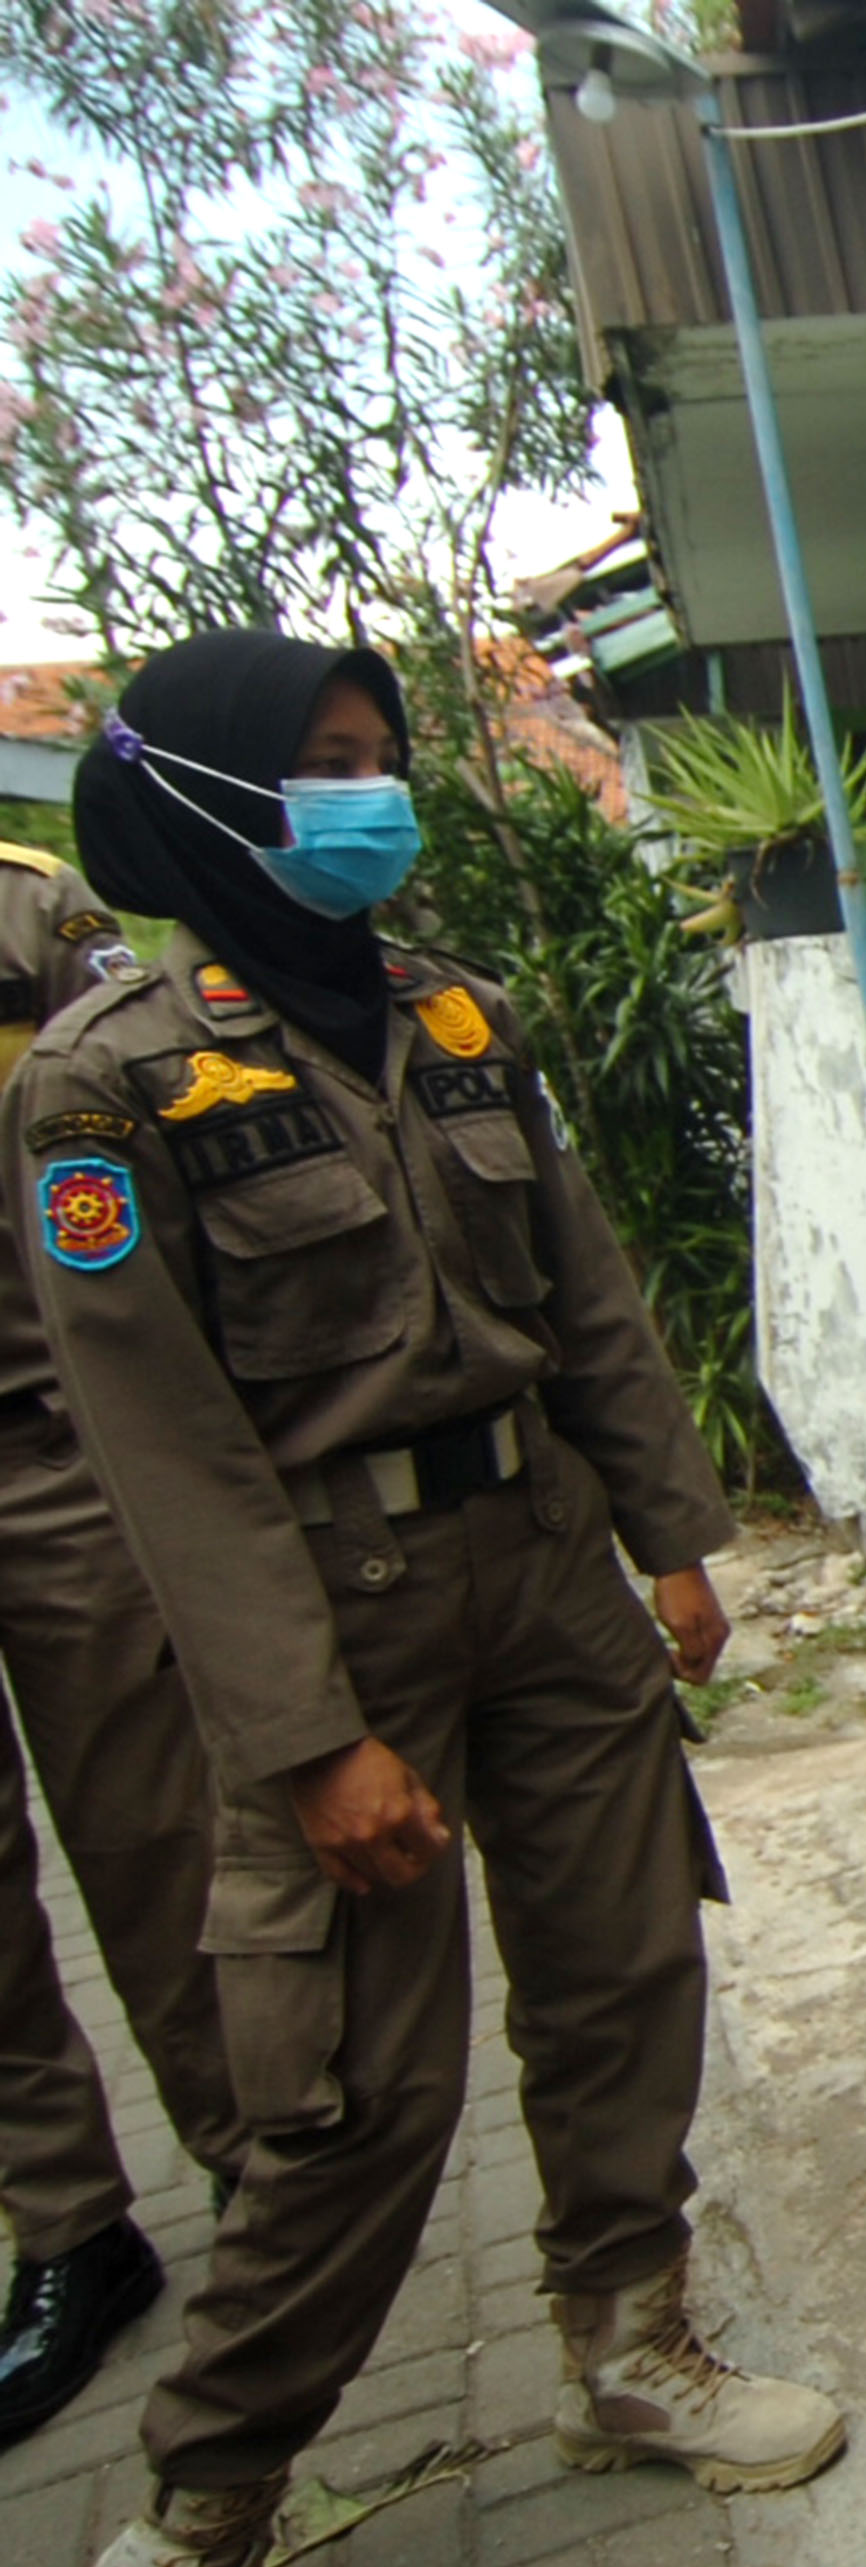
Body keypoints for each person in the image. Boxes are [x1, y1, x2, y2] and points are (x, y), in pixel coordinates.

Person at [15, 632, 845, 2567]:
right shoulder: (102, 1086)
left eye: (378, 758)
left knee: (623, 1974)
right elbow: (165, 1452)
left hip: (543, 1564)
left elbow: (586, 1298)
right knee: (357, 2096)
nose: (364, 796)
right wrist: (306, 1737)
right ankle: (201, 2513)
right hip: (334, 1614)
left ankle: (629, 2352)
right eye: (322, 763)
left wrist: (672, 1532)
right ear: (213, 793)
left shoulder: (453, 1017)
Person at [0, 842, 244, 2454]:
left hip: (44, 1445)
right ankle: (71, 2229)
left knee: (152, 1828)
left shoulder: (24, 910)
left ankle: (263, 2165)